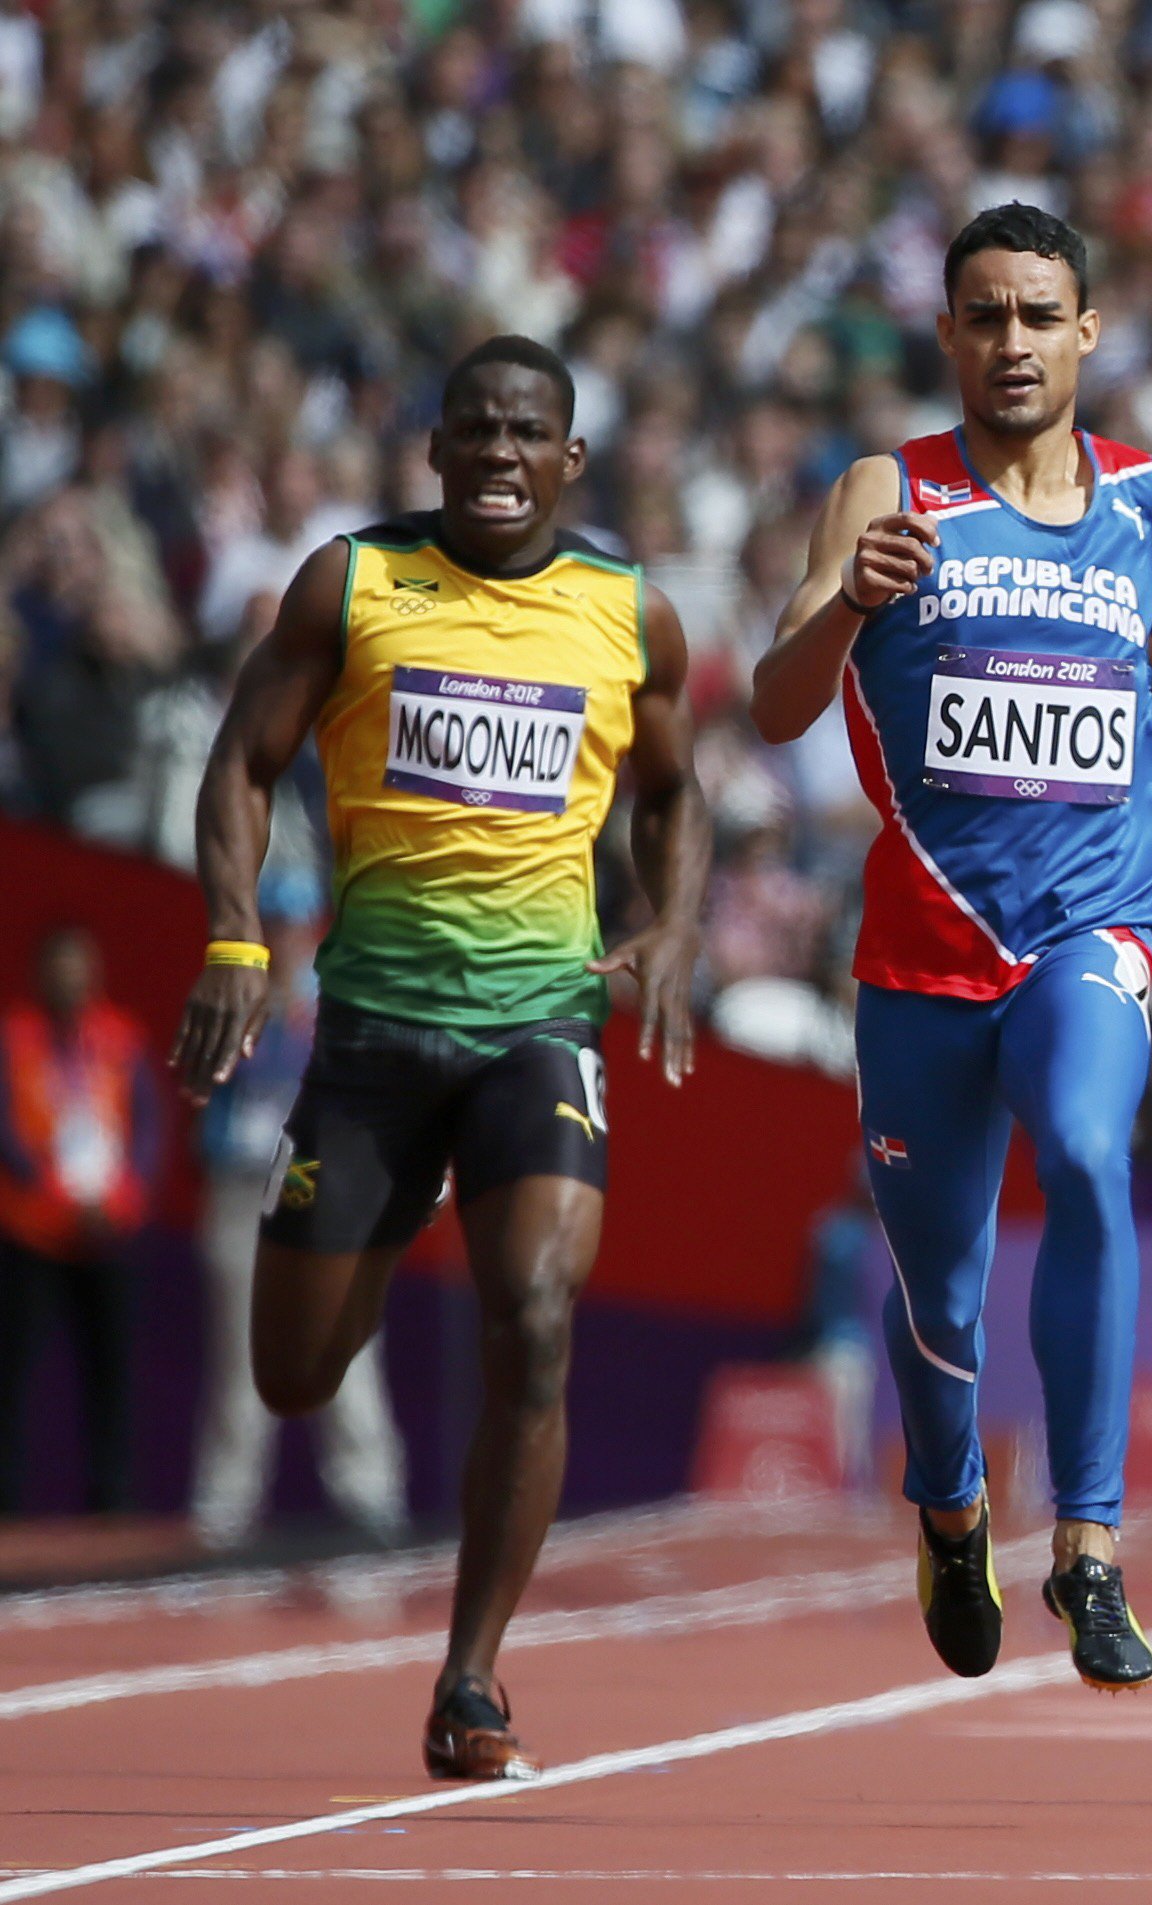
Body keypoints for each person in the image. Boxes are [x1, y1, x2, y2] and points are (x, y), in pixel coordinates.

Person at [171, 335, 709, 1779]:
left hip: (537, 1028)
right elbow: (240, 758)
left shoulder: (626, 614)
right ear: (433, 447)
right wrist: (233, 934)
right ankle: (391, 1205)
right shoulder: (353, 586)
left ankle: (471, 1676)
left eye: (526, 433)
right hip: (372, 1037)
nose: (497, 455)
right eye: (472, 430)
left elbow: (675, 794)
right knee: (292, 1378)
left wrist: (668, 925)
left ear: (569, 458)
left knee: (534, 1315)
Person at [750, 204, 1152, 1692]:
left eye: (1040, 316)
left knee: (1091, 1155)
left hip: (1091, 918)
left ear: (1087, 331)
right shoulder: (883, 493)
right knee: (940, 1298)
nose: (1013, 343)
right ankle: (952, 1504)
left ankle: (1089, 1548)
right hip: (924, 951)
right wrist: (852, 598)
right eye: (985, 316)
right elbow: (777, 708)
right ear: (949, 333)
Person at [189, 888, 409, 1552]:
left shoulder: (343, 1005)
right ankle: (224, 1510)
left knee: (348, 1347)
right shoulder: (230, 998)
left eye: (295, 925)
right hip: (243, 1189)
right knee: (240, 1355)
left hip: (326, 1194)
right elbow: (208, 1098)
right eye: (274, 924)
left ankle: (371, 1497)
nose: (285, 937)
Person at [0, 927, 161, 1515]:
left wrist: (124, 1197)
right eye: (58, 966)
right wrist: (57, 1193)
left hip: (107, 1232)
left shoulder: (121, 1039)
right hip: (32, 1233)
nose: (69, 977)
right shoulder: (14, 1038)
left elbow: (146, 1128)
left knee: (112, 1375)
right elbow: (6, 1132)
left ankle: (111, 1505)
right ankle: (7, 1508)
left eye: (79, 967)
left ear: (94, 974)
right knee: (12, 1376)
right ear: (40, 973)